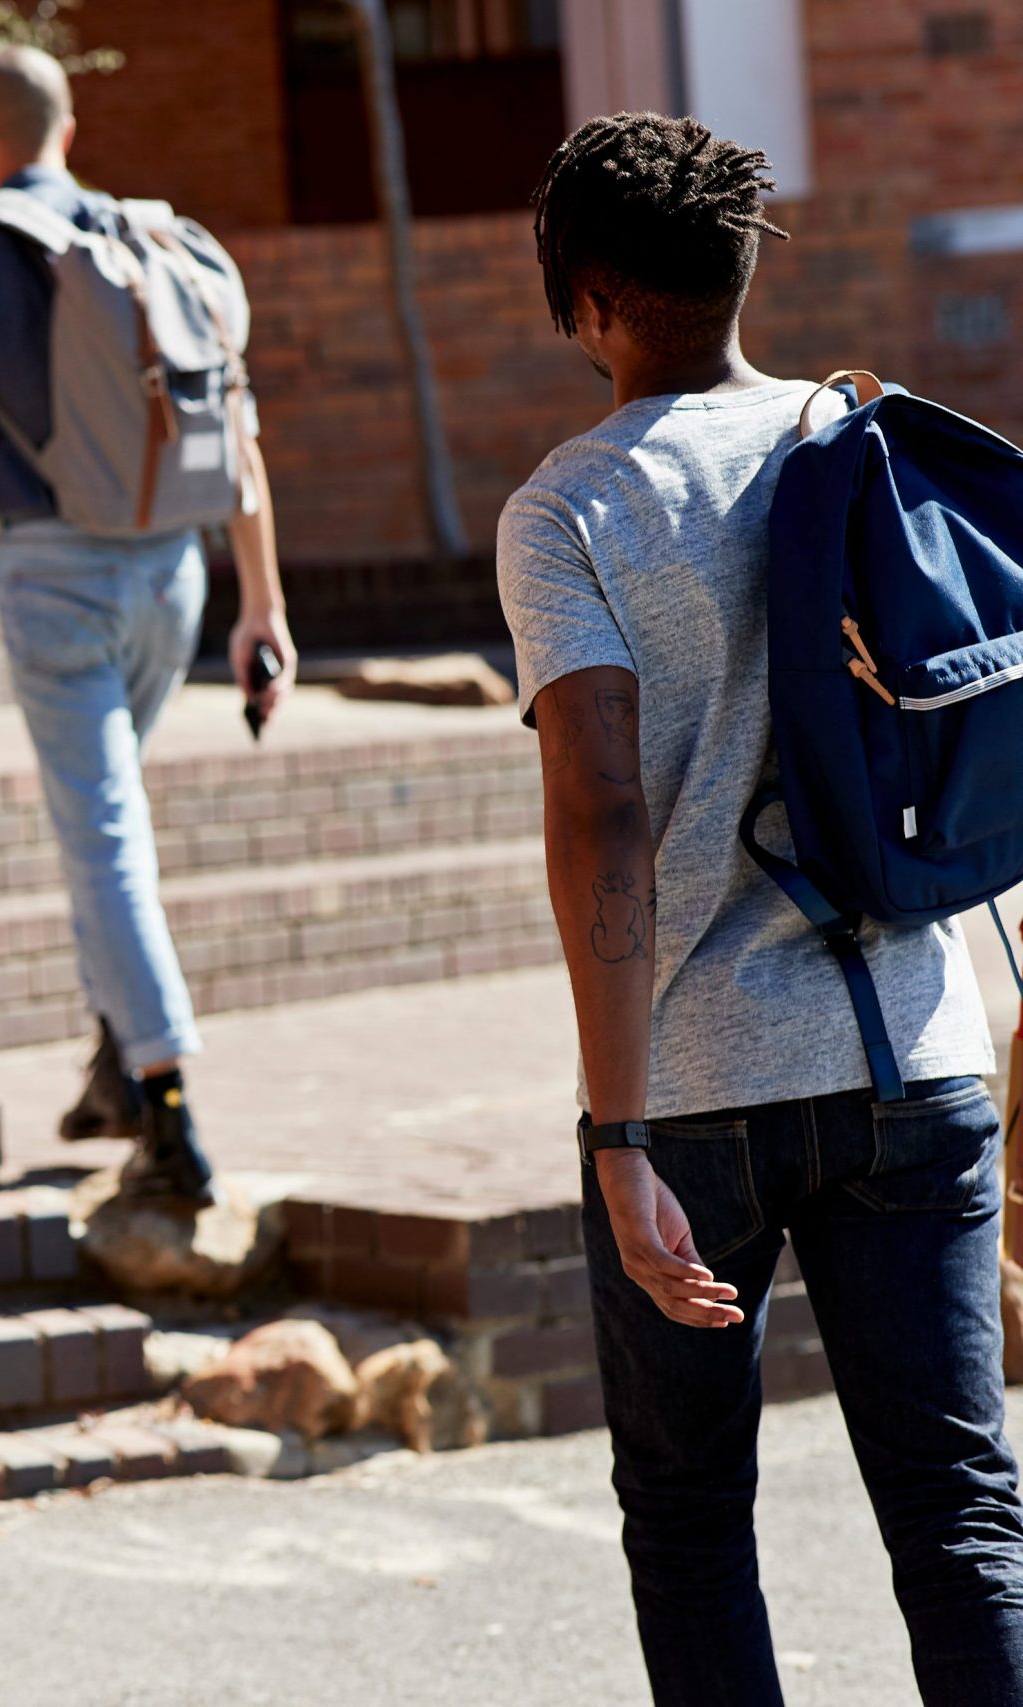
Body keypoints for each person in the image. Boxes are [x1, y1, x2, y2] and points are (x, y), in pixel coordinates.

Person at [499, 112, 1023, 1707]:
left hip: (699, 1086)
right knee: (962, 1517)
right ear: (740, 266)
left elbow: (602, 810)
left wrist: (615, 1132)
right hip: (914, 1042)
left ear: (587, 293)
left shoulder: (572, 508)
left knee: (687, 1517)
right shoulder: (862, 436)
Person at [0, 44, 295, 1206]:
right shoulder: (160, 242)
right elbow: (239, 437)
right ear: (65, 131)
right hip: (175, 579)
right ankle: (114, 1072)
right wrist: (261, 605)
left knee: (101, 836)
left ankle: (168, 1105)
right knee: (105, 825)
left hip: (53, 580)